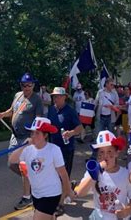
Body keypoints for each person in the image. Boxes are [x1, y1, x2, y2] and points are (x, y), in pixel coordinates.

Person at [0, 72, 44, 210]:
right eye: (24, 85)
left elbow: (39, 120)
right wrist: (2, 115)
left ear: (33, 85)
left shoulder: (36, 100)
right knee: (11, 163)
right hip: (15, 136)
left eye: (29, 85)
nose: (26, 87)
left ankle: (27, 197)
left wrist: (33, 137)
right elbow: (12, 110)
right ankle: (34, 181)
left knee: (24, 167)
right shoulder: (18, 95)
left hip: (26, 137)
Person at [9, 117, 73, 220]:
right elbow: (12, 160)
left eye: (37, 133)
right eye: (32, 133)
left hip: (51, 194)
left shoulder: (54, 150)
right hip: (36, 194)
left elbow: (63, 173)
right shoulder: (27, 150)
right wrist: (23, 146)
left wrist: (68, 190)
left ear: (45, 135)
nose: (33, 136)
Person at [75, 130, 131, 219]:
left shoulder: (125, 174)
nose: (105, 156)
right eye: (101, 152)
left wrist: (126, 211)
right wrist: (95, 173)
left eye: (109, 151)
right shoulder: (93, 171)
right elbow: (80, 193)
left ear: (116, 153)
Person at [47, 87, 84, 216]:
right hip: (53, 148)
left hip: (66, 149)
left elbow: (80, 127)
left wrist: (72, 133)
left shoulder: (70, 111)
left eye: (58, 96)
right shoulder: (51, 110)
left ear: (64, 97)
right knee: (54, 176)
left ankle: (60, 204)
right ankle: (67, 190)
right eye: (54, 96)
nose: (55, 98)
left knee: (63, 176)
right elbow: (48, 126)